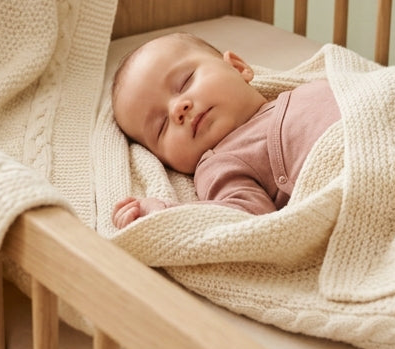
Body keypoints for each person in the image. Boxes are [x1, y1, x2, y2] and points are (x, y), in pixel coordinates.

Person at [110, 32, 340, 229]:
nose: (177, 109)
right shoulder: (220, 163)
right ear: (165, 161)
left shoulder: (303, 89)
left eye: (185, 82)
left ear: (238, 67)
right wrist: (166, 214)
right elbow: (243, 218)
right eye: (161, 126)